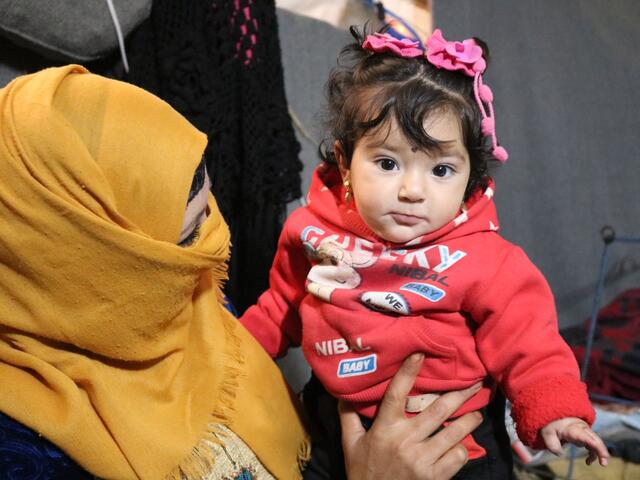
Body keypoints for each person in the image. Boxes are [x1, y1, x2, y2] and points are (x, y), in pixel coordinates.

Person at [0, 64, 482, 480]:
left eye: (208, 206)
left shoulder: (189, 297)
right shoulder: (22, 450)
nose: (214, 244)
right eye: (185, 240)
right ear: (79, 261)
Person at [240, 27, 610, 479]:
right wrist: (230, 353)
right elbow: (282, 306)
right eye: (388, 163)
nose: (412, 190)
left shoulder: (489, 261)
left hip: (455, 440)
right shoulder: (312, 233)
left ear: (471, 177)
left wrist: (557, 411)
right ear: (345, 163)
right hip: (336, 419)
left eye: (440, 169)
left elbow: (531, 346)